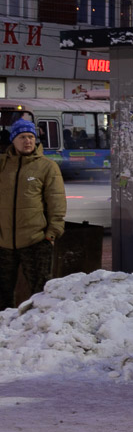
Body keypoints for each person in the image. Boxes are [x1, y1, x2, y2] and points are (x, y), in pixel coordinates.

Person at [0, 118, 65, 310]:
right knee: (2, 294)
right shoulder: (2, 165)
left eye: (31, 137)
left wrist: (52, 232)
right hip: (3, 243)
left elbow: (57, 201)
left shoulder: (47, 166)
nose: (27, 141)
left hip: (35, 240)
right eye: (22, 137)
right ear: (13, 140)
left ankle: (39, 331)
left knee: (40, 292)